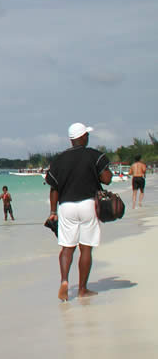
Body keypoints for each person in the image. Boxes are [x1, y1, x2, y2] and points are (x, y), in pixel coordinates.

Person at [45, 123, 112, 301]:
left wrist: (53, 211)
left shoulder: (59, 159)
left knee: (67, 248)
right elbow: (107, 179)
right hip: (88, 204)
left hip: (66, 206)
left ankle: (64, 281)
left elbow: (53, 188)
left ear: (71, 139)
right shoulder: (93, 155)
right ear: (83, 137)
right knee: (86, 249)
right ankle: (82, 289)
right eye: (86, 135)